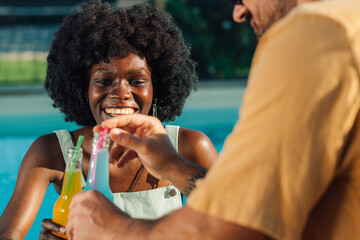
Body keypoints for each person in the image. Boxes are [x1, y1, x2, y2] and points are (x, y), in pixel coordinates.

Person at [65, 0, 360, 239]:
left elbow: (238, 228)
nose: (239, 12)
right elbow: (249, 204)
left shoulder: (315, 33)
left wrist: (113, 229)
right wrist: (173, 166)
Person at [0, 1, 219, 239]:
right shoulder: (54, 152)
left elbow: (239, 219)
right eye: (104, 81)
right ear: (84, 89)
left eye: (137, 81)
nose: (121, 94)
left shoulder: (188, 147)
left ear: (158, 87)